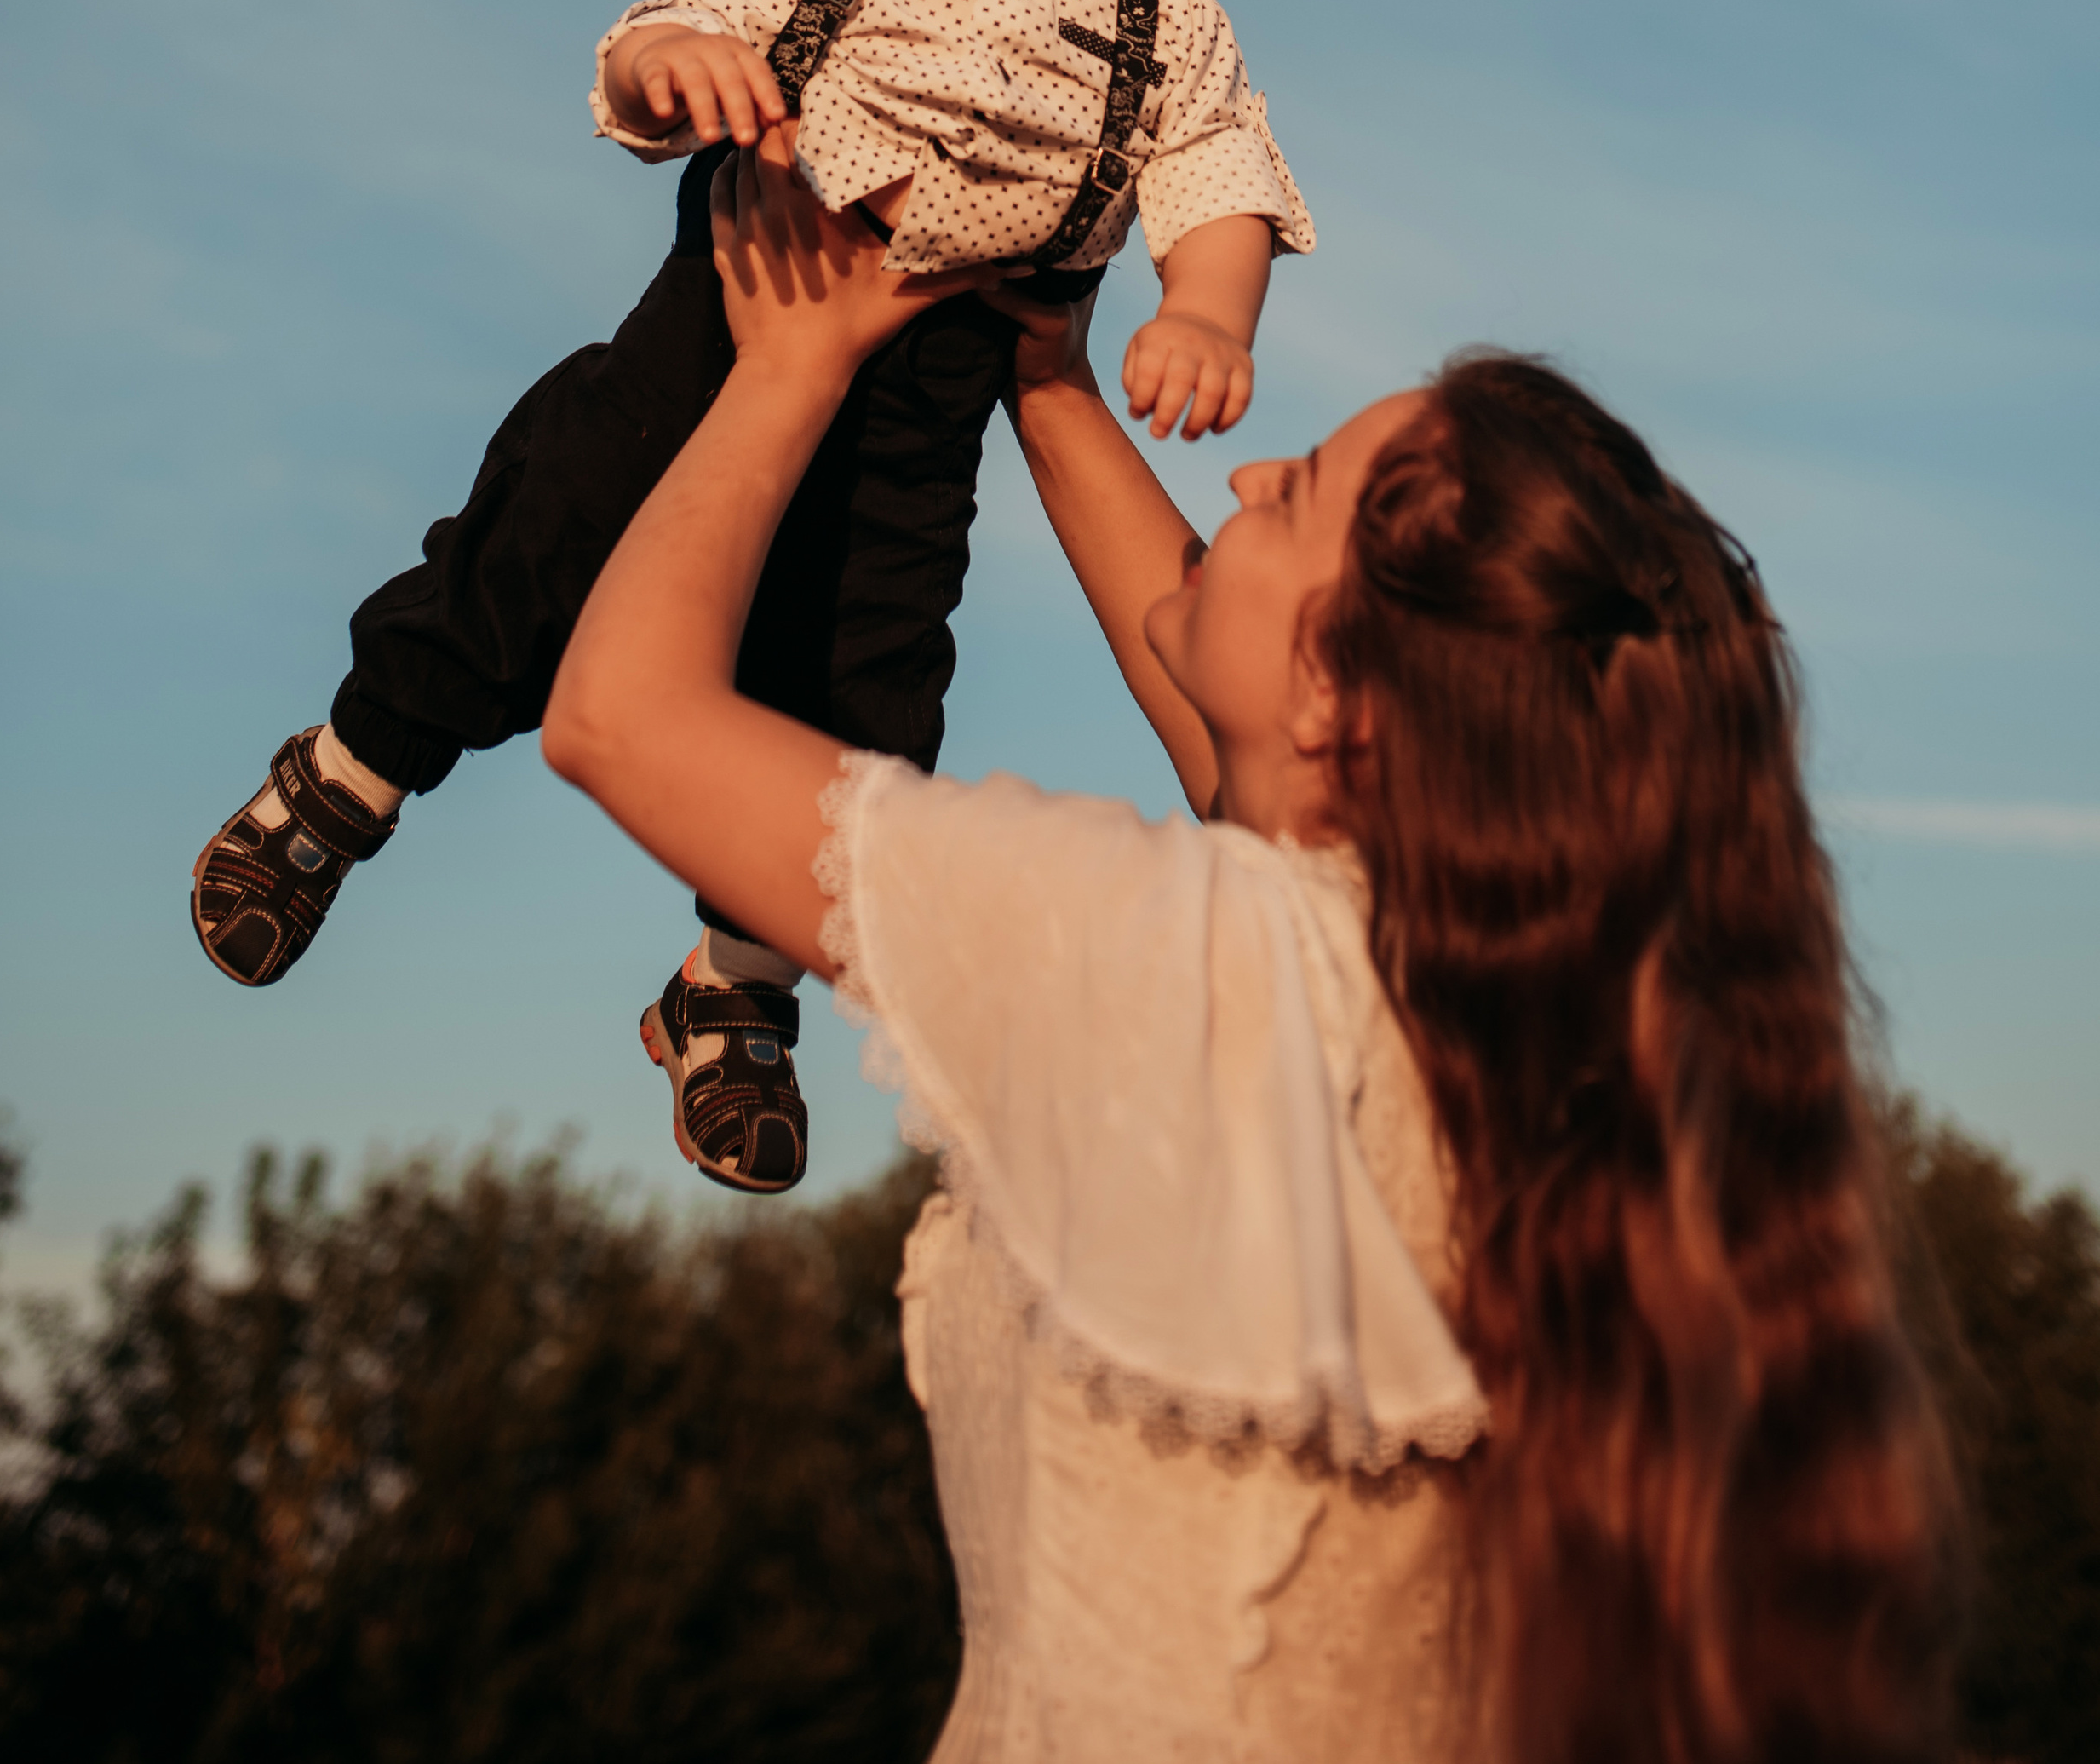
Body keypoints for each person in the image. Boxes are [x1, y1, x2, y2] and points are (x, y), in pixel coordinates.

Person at [544, 133, 1962, 1764]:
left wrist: (788, 357)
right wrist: (1051, 379)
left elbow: (622, 716)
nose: (1236, 485)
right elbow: (1262, 774)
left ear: (1338, 698)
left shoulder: (1184, 963)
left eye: (1286, 496)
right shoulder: (1503, 1024)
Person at [189, 0, 1312, 1200]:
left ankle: (733, 990)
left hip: (936, 398)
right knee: (537, 545)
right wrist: (683, 69)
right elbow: (668, 34)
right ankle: (348, 774)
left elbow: (1220, 171)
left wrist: (1208, 309)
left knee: (868, 700)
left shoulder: (1166, 10)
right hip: (732, 318)